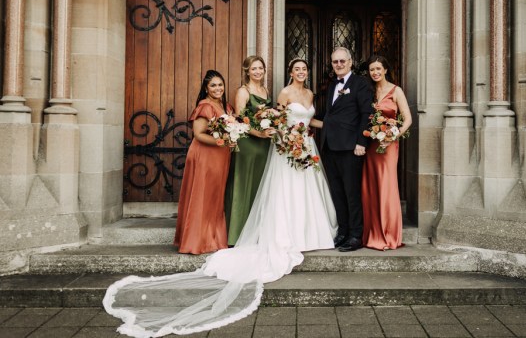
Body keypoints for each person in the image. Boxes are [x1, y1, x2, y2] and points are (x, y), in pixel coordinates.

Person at [103, 59, 337, 337]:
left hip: (288, 144)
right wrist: (267, 134)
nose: (258, 72)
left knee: (277, 191)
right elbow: (246, 120)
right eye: (255, 68)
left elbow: (297, 119)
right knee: (248, 189)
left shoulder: (302, 94)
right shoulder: (263, 93)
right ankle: (231, 234)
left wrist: (331, 127)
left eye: (219, 85)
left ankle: (282, 229)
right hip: (255, 144)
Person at [173, 70, 233, 255]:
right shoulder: (205, 106)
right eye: (213, 85)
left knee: (215, 197)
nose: (218, 88)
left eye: (220, 84)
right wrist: (222, 141)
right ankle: (196, 241)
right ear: (206, 88)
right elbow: (198, 135)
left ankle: (212, 239)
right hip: (205, 155)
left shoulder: (225, 106)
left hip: (220, 156)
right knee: (203, 196)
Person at [320, 47, 373, 252]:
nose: (339, 65)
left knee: (352, 193)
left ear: (350, 62)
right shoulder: (333, 84)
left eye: (342, 61)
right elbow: (330, 115)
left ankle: (355, 235)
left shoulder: (360, 84)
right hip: (331, 147)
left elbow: (366, 113)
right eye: (335, 62)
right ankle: (342, 232)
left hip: (351, 147)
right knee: (337, 193)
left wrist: (362, 142)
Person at [362, 55, 412, 250]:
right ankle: (372, 234)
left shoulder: (395, 90)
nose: (375, 72)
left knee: (387, 186)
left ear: (385, 70)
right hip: (372, 145)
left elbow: (407, 119)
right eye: (372, 69)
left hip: (389, 145)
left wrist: (394, 135)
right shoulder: (369, 91)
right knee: (371, 187)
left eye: (378, 69)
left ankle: (388, 235)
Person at [224, 56, 274, 246]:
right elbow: (240, 120)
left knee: (258, 186)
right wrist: (259, 134)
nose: (258, 72)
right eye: (254, 69)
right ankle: (236, 235)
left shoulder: (265, 90)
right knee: (243, 185)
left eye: (260, 68)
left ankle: (254, 232)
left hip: (263, 145)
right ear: (247, 71)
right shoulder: (243, 92)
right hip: (248, 144)